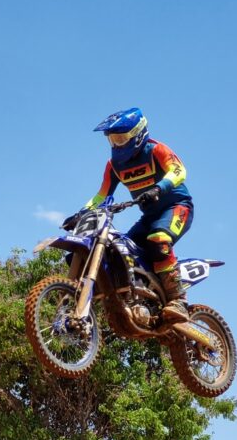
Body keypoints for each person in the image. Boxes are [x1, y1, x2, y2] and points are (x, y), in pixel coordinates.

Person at [64, 108, 193, 323]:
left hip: (177, 207)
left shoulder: (155, 150)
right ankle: (138, 298)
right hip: (149, 217)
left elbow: (179, 171)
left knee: (159, 240)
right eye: (112, 139)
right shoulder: (113, 165)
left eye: (121, 138)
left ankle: (179, 300)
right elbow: (102, 195)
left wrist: (159, 188)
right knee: (121, 253)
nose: (116, 143)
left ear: (138, 134)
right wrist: (82, 213)